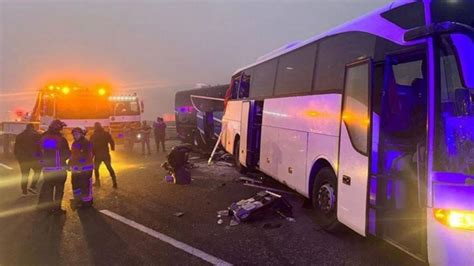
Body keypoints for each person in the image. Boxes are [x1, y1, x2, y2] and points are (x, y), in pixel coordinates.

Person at [37, 120, 71, 215]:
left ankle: (48, 209)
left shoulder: (42, 138)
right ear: (58, 128)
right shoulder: (61, 139)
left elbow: (37, 152)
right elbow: (67, 153)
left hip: (47, 170)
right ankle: (57, 209)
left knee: (48, 189)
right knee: (59, 190)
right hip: (60, 169)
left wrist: (42, 162)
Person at [13, 124, 42, 196]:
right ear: (33, 128)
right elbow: (39, 147)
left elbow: (15, 148)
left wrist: (18, 157)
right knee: (37, 171)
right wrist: (40, 156)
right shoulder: (36, 136)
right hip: (33, 158)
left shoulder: (19, 136)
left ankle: (24, 191)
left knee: (24, 175)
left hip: (23, 159)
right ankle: (32, 186)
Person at [69, 127, 94, 208]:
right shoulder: (75, 143)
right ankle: (78, 200)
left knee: (85, 185)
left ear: (81, 134)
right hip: (76, 169)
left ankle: (87, 202)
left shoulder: (86, 142)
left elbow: (87, 155)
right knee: (76, 184)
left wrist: (80, 163)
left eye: (77, 134)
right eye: (74, 134)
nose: (75, 136)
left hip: (85, 169)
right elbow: (73, 155)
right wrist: (70, 163)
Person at [90, 122, 117, 188]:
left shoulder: (93, 135)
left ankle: (97, 182)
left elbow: (91, 146)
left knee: (96, 169)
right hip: (105, 154)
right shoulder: (106, 134)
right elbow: (111, 141)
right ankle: (114, 182)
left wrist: (91, 155)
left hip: (97, 155)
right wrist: (112, 148)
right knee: (109, 167)